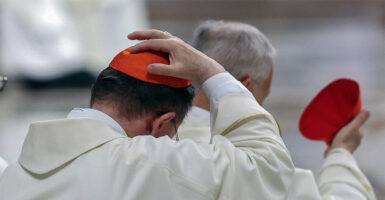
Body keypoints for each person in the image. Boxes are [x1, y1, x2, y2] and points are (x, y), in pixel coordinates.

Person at [0, 30, 295, 199]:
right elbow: (268, 172)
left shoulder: (12, 176)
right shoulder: (149, 164)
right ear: (163, 123)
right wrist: (212, 72)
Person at [178, 20, 376, 199]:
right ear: (242, 88)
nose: (259, 109)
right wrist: (341, 154)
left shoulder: (156, 140)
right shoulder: (259, 168)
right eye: (261, 99)